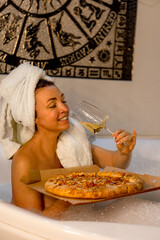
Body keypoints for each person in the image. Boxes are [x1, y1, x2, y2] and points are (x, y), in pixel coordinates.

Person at [0, 63, 136, 218]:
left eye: (62, 100)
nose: (64, 108)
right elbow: (30, 222)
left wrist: (124, 152)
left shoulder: (70, 144)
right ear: (33, 117)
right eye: (52, 105)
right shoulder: (25, 160)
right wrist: (71, 195)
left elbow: (114, 162)